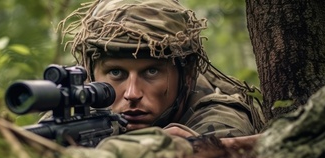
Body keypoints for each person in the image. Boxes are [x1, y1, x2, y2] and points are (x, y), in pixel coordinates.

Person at [59, 0, 266, 141]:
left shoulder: (221, 115)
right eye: (116, 73)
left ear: (187, 74)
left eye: (151, 72)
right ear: (91, 72)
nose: (132, 94)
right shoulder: (84, 107)